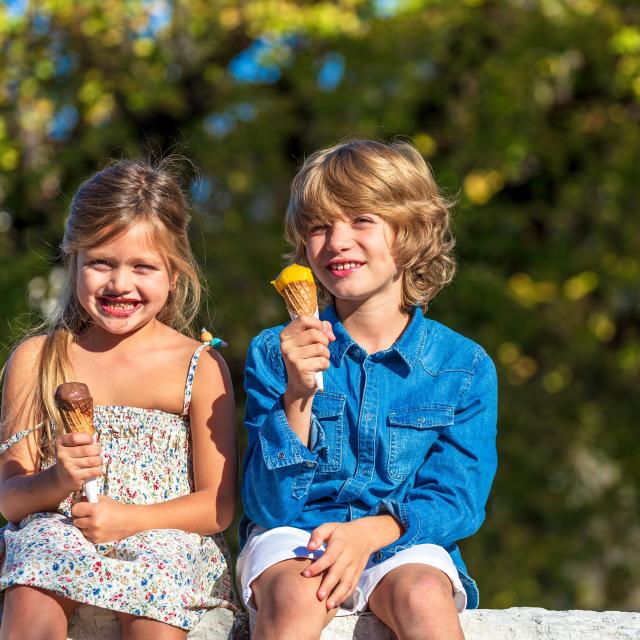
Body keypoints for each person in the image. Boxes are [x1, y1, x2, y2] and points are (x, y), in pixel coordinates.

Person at [238, 140, 498, 640]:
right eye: (319, 226)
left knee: (424, 594)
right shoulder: (276, 351)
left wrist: (369, 534)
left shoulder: (463, 367)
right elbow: (268, 507)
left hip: (402, 537)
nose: (337, 241)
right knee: (299, 593)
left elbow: (457, 499)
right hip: (297, 535)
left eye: (361, 219)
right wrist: (297, 396)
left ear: (413, 232)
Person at [0, 159, 238, 640]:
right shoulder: (38, 359)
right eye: (101, 263)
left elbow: (218, 505)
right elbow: (10, 497)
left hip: (162, 534)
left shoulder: (199, 365)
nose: (119, 285)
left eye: (143, 266)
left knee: (157, 574)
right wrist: (58, 478)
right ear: (75, 260)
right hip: (62, 530)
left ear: (174, 272)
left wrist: (131, 521)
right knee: (35, 563)